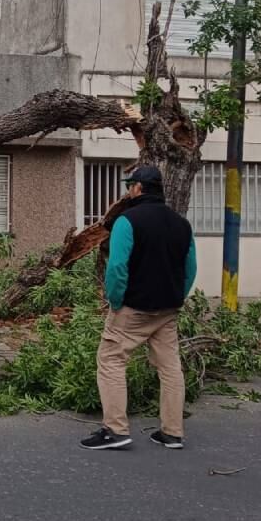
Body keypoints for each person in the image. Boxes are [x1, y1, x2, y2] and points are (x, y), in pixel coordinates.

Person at [81, 165, 197, 451]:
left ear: (139, 188)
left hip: (132, 309)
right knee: (170, 368)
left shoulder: (127, 221)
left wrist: (116, 300)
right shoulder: (182, 224)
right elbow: (190, 269)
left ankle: (116, 430)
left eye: (130, 185)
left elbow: (117, 267)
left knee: (111, 361)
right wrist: (176, 298)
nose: (128, 190)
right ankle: (172, 433)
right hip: (167, 310)